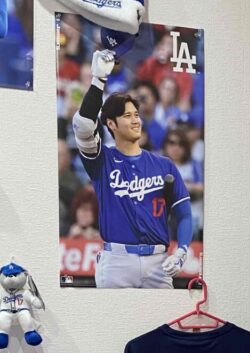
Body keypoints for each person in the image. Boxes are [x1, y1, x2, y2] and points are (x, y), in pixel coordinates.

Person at [71, 50, 193, 289]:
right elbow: (83, 125)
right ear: (111, 124)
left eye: (136, 114)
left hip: (158, 262)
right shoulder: (101, 160)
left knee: (165, 317)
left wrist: (182, 250)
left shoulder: (164, 165)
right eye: (127, 116)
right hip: (117, 262)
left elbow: (184, 213)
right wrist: (98, 80)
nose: (136, 120)